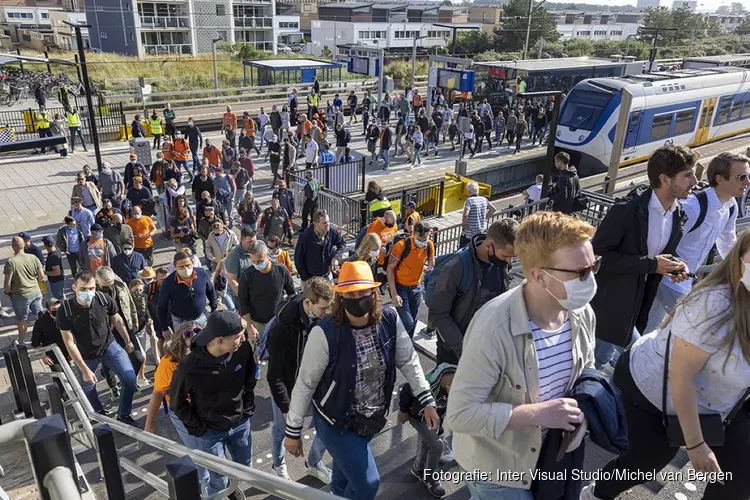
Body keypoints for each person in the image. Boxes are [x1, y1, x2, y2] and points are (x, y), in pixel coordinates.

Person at [581, 229, 750, 500]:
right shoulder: (712, 305)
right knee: (646, 461)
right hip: (654, 391)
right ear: (741, 255)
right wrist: (695, 444)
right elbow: (680, 376)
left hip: (726, 402)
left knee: (740, 477)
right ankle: (596, 494)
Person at [446, 211, 597, 500]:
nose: (589, 280)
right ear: (539, 276)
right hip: (499, 471)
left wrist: (584, 415)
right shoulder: (494, 327)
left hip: (549, 457)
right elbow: (460, 415)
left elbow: (585, 371)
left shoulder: (581, 312)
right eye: (580, 272)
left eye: (593, 267)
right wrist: (540, 414)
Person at [284, 261, 438, 500]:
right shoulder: (325, 332)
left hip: (372, 418)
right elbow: (306, 383)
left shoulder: (389, 319)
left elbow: (407, 359)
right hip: (336, 422)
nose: (357, 298)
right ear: (340, 296)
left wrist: (426, 397)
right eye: (350, 293)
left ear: (373, 293)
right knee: (367, 484)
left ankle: (337, 494)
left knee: (345, 474)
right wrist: (292, 431)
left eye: (363, 292)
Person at [590, 145, 697, 371]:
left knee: (598, 362)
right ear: (664, 179)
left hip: (638, 310)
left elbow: (658, 254)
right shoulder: (626, 211)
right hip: (611, 310)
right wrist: (652, 265)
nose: (695, 181)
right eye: (687, 175)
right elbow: (598, 257)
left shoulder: (678, 214)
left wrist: (675, 265)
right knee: (637, 364)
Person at [645, 152, 750, 334]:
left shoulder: (730, 206)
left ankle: (623, 358)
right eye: (741, 177)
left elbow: (727, 242)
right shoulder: (693, 207)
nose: (747, 183)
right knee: (698, 327)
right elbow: (659, 238)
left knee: (650, 328)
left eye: (748, 177)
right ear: (720, 179)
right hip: (668, 278)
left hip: (682, 280)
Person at [170, 310, 256, 496]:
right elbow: (177, 403)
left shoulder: (242, 350)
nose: (243, 340)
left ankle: (232, 490)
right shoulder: (189, 366)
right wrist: (200, 429)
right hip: (210, 434)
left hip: (240, 424)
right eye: (238, 337)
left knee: (245, 468)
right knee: (219, 480)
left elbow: (250, 379)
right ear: (219, 341)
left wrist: (247, 410)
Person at [266, 277, 333, 481]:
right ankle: (278, 464)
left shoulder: (321, 316)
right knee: (281, 430)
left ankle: (313, 462)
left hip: (315, 383)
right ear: (308, 303)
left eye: (330, 307)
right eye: (323, 308)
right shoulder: (282, 328)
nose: (328, 313)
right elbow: (274, 375)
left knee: (326, 424)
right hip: (289, 386)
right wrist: (287, 410)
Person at [430, 219, 518, 365]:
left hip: (485, 348)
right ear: (489, 245)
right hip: (455, 352)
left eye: (512, 257)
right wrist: (463, 351)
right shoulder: (456, 267)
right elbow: (439, 314)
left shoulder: (500, 265)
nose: (509, 262)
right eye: (505, 256)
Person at [57, 270, 138, 424]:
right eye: (83, 289)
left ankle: (123, 414)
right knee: (88, 387)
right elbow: (69, 342)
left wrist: (128, 340)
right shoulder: (65, 310)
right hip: (86, 355)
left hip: (109, 346)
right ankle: (98, 413)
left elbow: (117, 320)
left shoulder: (103, 299)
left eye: (91, 288)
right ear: (74, 288)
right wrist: (84, 369)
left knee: (130, 379)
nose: (87, 292)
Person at [144, 322, 209, 486]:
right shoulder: (167, 365)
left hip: (205, 405)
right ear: (181, 342)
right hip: (182, 411)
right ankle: (205, 483)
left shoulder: (208, 353)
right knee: (197, 451)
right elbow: (157, 395)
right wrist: (149, 424)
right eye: (190, 335)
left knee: (209, 447)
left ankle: (216, 480)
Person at [398, 363, 455, 497]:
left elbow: (441, 411)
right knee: (437, 446)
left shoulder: (457, 383)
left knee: (428, 441)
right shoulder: (430, 385)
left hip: (434, 417)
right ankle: (429, 477)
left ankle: (417, 470)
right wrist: (403, 411)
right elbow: (406, 389)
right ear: (447, 388)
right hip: (418, 417)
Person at [95, 266, 145, 389]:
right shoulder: (92, 291)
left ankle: (129, 380)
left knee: (138, 358)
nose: (109, 286)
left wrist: (134, 318)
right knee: (108, 361)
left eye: (110, 283)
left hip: (124, 324)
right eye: (105, 285)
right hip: (107, 330)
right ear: (97, 281)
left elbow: (129, 301)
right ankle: (113, 385)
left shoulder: (120, 284)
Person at [238, 240, 295, 344]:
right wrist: (250, 327)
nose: (257, 264)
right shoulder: (247, 275)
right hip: (256, 323)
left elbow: (291, 293)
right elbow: (242, 302)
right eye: (253, 262)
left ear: (268, 255)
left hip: (278, 321)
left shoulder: (281, 270)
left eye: (260, 261)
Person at [387, 222, 435, 338]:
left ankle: (407, 348)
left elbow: (431, 264)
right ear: (413, 233)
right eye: (420, 239)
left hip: (416, 288)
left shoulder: (429, 245)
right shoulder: (401, 246)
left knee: (412, 323)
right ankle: (390, 336)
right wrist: (394, 295)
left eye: (425, 239)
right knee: (408, 323)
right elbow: (390, 269)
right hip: (400, 288)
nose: (422, 242)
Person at [158, 252, 217, 335]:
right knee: (184, 345)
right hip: (180, 322)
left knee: (205, 342)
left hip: (201, 317)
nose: (185, 269)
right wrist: (164, 328)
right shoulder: (168, 282)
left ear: (192, 263)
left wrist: (214, 308)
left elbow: (210, 290)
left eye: (188, 265)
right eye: (181, 267)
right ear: (175, 267)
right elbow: (162, 306)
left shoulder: (201, 273)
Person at [4, 236, 45, 343]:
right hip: (35, 292)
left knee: (22, 319)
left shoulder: (11, 262)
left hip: (20, 296)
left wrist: (8, 292)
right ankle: (46, 335)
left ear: (13, 247)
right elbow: (41, 276)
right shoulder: (33, 257)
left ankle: (21, 341)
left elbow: (7, 284)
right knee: (41, 315)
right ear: (24, 245)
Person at [295, 210, 346, 283]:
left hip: (326, 275)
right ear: (316, 224)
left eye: (328, 221)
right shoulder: (305, 237)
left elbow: (342, 243)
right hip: (311, 278)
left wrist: (336, 257)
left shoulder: (332, 232)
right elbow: (298, 259)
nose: (327, 224)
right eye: (324, 223)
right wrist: (306, 278)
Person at [32, 297, 71, 369]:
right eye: (54, 309)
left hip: (67, 348)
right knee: (59, 374)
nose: (58, 311)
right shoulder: (41, 322)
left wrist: (71, 351)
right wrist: (43, 356)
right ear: (48, 310)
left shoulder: (66, 317)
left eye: (59, 308)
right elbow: (35, 342)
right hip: (53, 353)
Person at [460, 182, 497, 248]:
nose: (467, 194)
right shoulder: (484, 199)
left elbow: (465, 215)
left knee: (463, 250)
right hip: (480, 232)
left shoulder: (469, 200)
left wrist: (464, 225)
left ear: (469, 192)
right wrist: (484, 218)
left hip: (469, 234)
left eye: (467, 192)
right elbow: (493, 209)